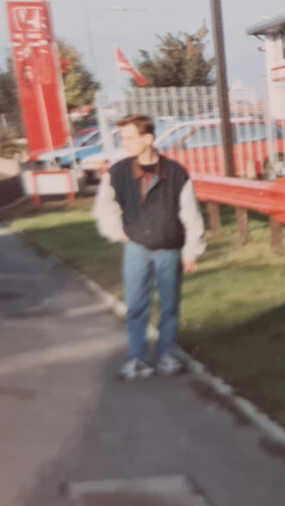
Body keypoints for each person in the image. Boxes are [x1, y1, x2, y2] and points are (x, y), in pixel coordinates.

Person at [94, 114, 205, 380]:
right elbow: (104, 208)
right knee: (135, 307)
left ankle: (166, 355)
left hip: (170, 249)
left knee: (169, 306)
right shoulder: (118, 173)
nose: (125, 143)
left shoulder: (176, 173)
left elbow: (191, 215)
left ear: (148, 139)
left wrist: (191, 251)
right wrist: (119, 234)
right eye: (123, 138)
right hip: (136, 250)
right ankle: (138, 358)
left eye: (130, 138)